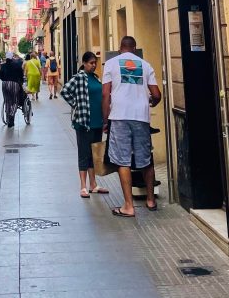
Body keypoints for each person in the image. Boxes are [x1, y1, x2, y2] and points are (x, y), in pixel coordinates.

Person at [102, 36, 162, 217]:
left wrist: (105, 121)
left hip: (119, 116)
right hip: (141, 117)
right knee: (146, 159)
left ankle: (128, 206)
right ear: (134, 49)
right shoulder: (145, 65)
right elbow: (157, 94)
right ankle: (150, 200)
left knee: (123, 161)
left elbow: (106, 95)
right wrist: (151, 102)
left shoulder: (111, 64)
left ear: (120, 48)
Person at [60, 51, 110, 199]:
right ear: (84, 63)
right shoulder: (79, 77)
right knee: (84, 153)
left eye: (95, 63)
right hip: (83, 122)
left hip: (97, 122)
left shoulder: (95, 78)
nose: (94, 65)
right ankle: (83, 186)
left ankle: (93, 184)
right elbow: (65, 91)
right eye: (91, 63)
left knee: (94, 154)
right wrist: (76, 104)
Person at [0, 50, 25, 127]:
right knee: (15, 101)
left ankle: (8, 117)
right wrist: (21, 81)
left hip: (5, 84)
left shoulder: (3, 65)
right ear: (12, 57)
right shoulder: (17, 65)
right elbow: (21, 75)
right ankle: (11, 115)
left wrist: (5, 80)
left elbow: (0, 76)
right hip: (14, 84)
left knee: (7, 101)